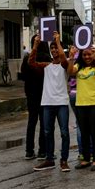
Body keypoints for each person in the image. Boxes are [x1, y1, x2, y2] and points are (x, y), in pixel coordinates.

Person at [29, 32, 70, 172]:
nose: (54, 50)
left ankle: (64, 161)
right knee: (47, 132)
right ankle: (49, 159)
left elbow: (64, 60)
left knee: (64, 132)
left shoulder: (65, 64)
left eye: (56, 48)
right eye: (51, 48)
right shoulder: (46, 66)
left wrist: (58, 41)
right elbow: (31, 63)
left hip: (62, 103)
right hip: (47, 103)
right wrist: (35, 45)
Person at [68, 45, 95, 171]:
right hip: (81, 104)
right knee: (84, 133)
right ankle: (85, 159)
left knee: (94, 132)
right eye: (84, 55)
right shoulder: (79, 67)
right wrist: (72, 57)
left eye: (89, 54)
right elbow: (70, 72)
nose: (87, 57)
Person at [21, 34, 51, 160]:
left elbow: (22, 75)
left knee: (31, 122)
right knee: (44, 123)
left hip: (31, 94)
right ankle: (42, 151)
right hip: (44, 94)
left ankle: (29, 151)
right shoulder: (47, 59)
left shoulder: (27, 58)